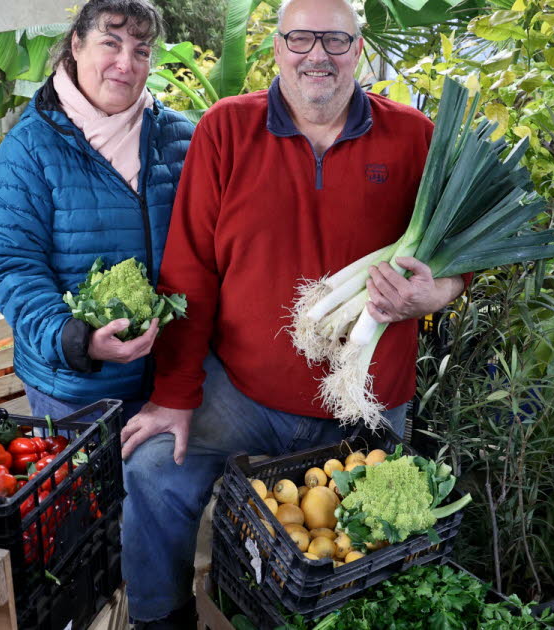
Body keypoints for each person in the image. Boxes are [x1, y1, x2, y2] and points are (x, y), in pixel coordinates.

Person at [117, 0, 468, 626]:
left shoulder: (415, 136)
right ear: (276, 48)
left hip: (365, 403)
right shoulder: (226, 130)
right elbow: (189, 270)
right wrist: (174, 394)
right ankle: (160, 617)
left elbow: (462, 254)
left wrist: (434, 294)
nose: (317, 55)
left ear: (358, 50)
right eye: (300, 39)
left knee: (362, 551)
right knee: (150, 470)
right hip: (243, 394)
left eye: (335, 41)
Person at [0, 0, 193, 421]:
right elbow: (9, 264)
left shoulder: (182, 138)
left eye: (141, 51)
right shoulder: (30, 148)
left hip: (170, 384)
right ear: (76, 45)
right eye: (110, 44)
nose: (125, 64)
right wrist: (77, 340)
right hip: (78, 390)